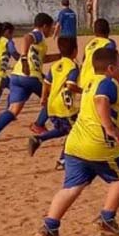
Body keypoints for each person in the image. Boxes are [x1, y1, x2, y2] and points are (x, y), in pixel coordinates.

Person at [37, 46, 119, 236]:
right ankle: (107, 218)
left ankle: (50, 226)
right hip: (97, 144)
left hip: (75, 144)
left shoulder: (92, 82)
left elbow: (104, 102)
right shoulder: (108, 84)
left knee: (72, 187)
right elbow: (101, 101)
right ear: (111, 68)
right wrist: (109, 127)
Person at [0, 13, 60, 152]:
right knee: (53, 99)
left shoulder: (39, 43)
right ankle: (39, 124)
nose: (52, 30)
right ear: (44, 26)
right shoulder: (37, 35)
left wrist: (61, 56)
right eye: (51, 27)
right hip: (30, 76)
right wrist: (24, 57)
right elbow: (27, 37)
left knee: (13, 110)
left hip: (17, 76)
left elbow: (43, 58)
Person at [29, 35, 81, 166]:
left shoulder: (55, 65)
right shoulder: (73, 66)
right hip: (65, 106)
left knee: (63, 130)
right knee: (75, 131)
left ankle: (39, 138)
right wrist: (83, 90)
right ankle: (63, 159)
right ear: (75, 51)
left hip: (52, 106)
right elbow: (70, 85)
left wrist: (43, 97)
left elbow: (46, 83)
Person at [79, 18, 117, 89]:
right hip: (98, 80)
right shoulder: (108, 44)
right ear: (108, 30)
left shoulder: (89, 44)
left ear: (94, 31)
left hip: (84, 78)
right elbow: (111, 62)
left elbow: (83, 60)